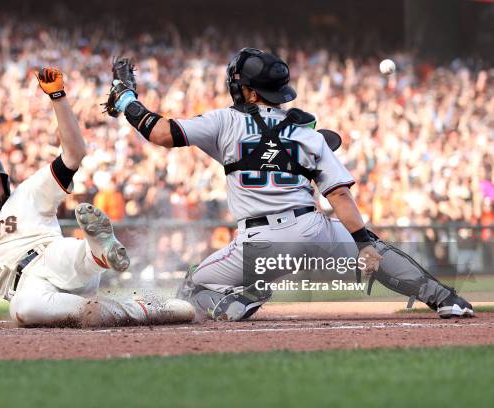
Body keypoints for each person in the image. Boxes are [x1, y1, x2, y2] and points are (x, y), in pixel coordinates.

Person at [104, 49, 474, 320]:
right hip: (314, 229)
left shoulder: (224, 122)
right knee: (379, 255)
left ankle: (233, 304)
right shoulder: (304, 133)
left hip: (260, 242)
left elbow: (163, 133)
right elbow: (339, 193)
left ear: (249, 92)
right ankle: (446, 300)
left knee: (192, 287)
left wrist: (126, 101)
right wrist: (363, 243)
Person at [0, 68, 194, 327]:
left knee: (65, 255)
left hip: (52, 256)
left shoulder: (28, 192)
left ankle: (97, 252)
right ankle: (140, 309)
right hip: (29, 287)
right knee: (23, 308)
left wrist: (58, 98)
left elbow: (74, 154)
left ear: (5, 182)